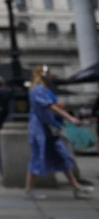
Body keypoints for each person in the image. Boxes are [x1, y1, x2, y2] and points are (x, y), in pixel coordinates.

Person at [25, 65, 93, 200]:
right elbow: (51, 106)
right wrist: (71, 118)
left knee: (63, 155)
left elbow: (54, 105)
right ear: (44, 75)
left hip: (49, 129)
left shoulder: (45, 90)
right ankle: (29, 190)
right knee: (37, 157)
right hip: (39, 129)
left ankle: (76, 188)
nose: (51, 75)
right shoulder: (37, 90)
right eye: (49, 73)